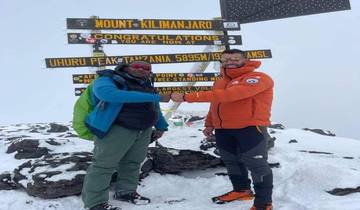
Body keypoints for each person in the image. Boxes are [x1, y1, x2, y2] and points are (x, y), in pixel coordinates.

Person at [171, 49, 274, 210]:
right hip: (224, 130)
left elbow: (232, 95)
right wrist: (210, 123)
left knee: (257, 165)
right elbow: (216, 103)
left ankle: (263, 203)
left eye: (235, 58)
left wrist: (186, 97)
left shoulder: (258, 78)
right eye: (225, 59)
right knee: (232, 162)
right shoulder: (220, 81)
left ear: (245, 60)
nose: (230, 61)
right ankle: (242, 190)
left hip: (250, 128)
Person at [81, 61, 170, 210]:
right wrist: (156, 97)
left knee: (133, 163)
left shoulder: (146, 84)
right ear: (125, 67)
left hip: (143, 129)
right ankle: (95, 203)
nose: (142, 69)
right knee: (103, 166)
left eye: (147, 68)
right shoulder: (108, 79)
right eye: (137, 66)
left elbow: (154, 107)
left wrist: (161, 125)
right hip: (116, 129)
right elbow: (109, 94)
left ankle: (126, 192)